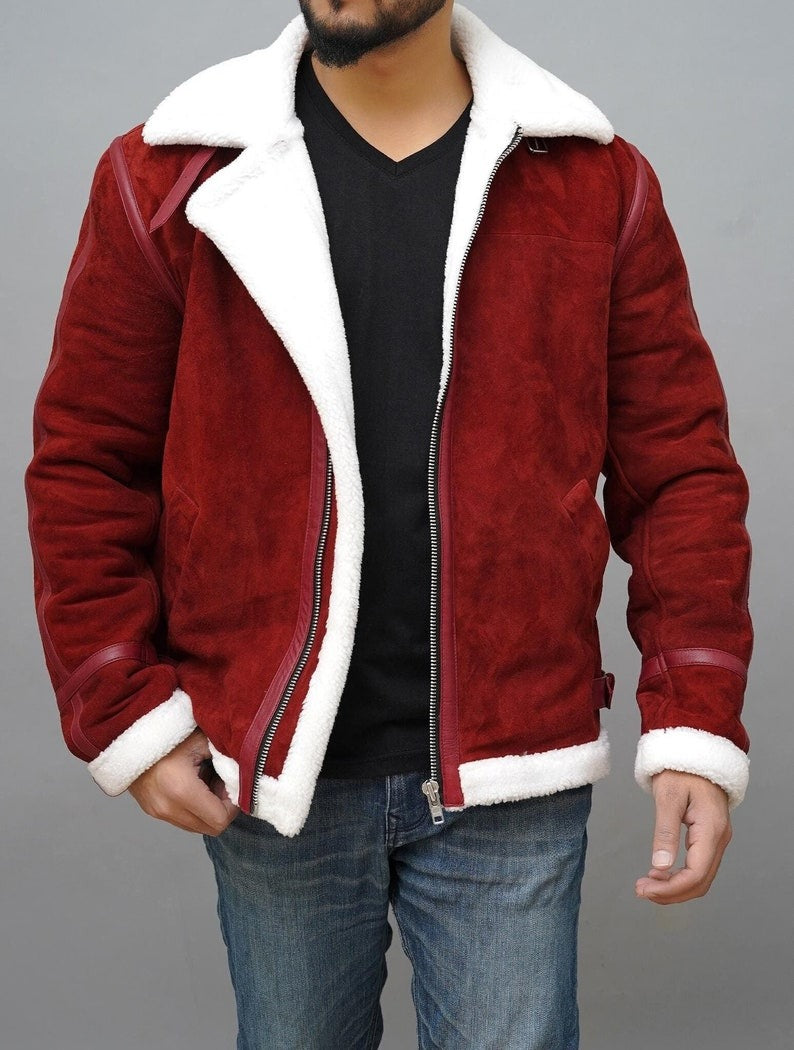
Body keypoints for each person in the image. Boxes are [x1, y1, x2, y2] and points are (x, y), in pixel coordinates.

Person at [24, 2, 754, 1046]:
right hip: (273, 770)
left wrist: (695, 723)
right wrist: (124, 710)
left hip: (514, 765)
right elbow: (86, 463)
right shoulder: (168, 176)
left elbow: (680, 472)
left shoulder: (594, 184)